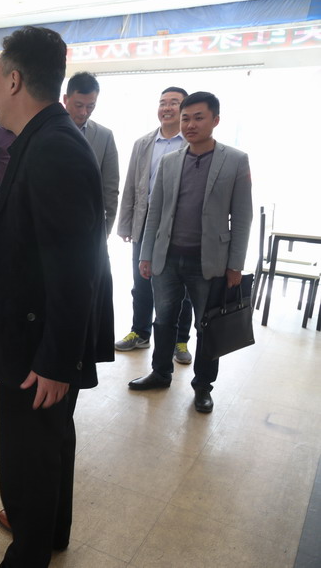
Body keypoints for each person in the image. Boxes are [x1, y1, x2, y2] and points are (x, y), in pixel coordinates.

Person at [0, 27, 114, 567]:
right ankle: (52, 530)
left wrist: (57, 362)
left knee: (29, 454)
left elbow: (75, 268)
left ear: (14, 80)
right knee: (50, 439)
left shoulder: (54, 146)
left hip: (39, 343)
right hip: (35, 331)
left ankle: (29, 552)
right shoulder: (41, 137)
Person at [129, 91, 252, 414]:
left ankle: (203, 387)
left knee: (207, 327)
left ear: (215, 120)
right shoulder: (170, 161)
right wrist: (146, 254)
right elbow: (155, 212)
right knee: (164, 320)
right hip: (167, 258)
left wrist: (235, 265)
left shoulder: (235, 160)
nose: (190, 124)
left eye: (199, 118)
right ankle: (160, 373)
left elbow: (242, 217)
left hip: (209, 262)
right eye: (186, 118)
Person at [116, 87, 194, 364]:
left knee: (180, 287)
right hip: (145, 220)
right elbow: (131, 184)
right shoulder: (143, 143)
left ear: (184, 109)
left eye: (174, 103)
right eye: (163, 103)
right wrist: (126, 224)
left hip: (179, 224)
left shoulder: (192, 143)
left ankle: (180, 341)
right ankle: (140, 332)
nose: (167, 108)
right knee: (141, 282)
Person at [63, 72, 119, 235]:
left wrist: (106, 230)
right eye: (79, 105)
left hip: (89, 227)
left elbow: (110, 187)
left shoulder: (105, 136)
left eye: (90, 106)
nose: (83, 112)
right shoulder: (46, 131)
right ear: (66, 99)